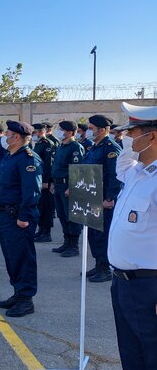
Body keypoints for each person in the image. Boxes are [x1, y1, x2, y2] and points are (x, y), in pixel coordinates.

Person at [106, 102, 157, 370]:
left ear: (151, 136)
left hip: (149, 287)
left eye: (132, 132)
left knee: (152, 359)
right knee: (132, 357)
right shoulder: (138, 172)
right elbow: (122, 165)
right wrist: (128, 145)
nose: (126, 137)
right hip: (123, 284)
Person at [0, 120, 42, 317]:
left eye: (8, 134)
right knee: (12, 257)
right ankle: (18, 293)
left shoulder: (28, 159)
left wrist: (24, 216)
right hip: (4, 215)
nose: (4, 137)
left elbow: (32, 191)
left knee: (22, 258)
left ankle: (26, 299)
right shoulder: (10, 156)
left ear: (17, 137)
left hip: (17, 217)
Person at [82, 114, 122, 283]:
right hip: (92, 196)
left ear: (103, 130)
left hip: (104, 199)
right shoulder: (94, 147)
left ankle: (105, 268)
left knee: (102, 235)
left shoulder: (110, 148)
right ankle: (98, 263)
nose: (88, 131)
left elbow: (115, 175)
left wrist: (109, 197)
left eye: (91, 128)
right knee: (93, 234)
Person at [50, 120, 85, 258]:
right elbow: (56, 166)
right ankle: (66, 242)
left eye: (62, 129)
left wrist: (72, 186)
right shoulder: (61, 146)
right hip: (58, 184)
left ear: (70, 132)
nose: (59, 132)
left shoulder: (75, 147)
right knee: (62, 215)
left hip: (67, 185)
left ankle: (74, 245)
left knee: (72, 216)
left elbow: (78, 169)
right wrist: (53, 183)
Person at [31, 123, 56, 243]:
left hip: (45, 182)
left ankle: (46, 232)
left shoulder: (47, 144)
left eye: (34, 132)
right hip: (39, 180)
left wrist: (46, 181)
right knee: (40, 207)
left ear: (41, 132)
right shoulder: (39, 144)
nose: (33, 135)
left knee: (46, 207)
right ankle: (41, 230)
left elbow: (48, 164)